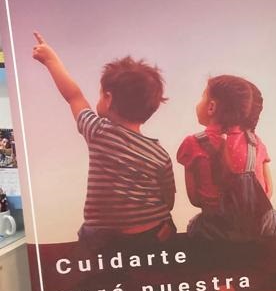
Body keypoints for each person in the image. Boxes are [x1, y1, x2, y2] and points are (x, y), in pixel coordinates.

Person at [31, 32, 175, 248]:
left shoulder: (99, 131)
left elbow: (74, 96)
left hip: (105, 238)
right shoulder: (159, 153)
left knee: (88, 234)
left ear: (108, 99)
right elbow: (168, 199)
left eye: (100, 94)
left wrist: (50, 60)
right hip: (151, 234)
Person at [177, 75, 276, 241]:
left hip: (215, 230)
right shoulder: (255, 142)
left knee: (194, 226)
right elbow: (268, 192)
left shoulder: (192, 143)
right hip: (258, 228)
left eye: (202, 97)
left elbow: (195, 199)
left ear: (211, 107)